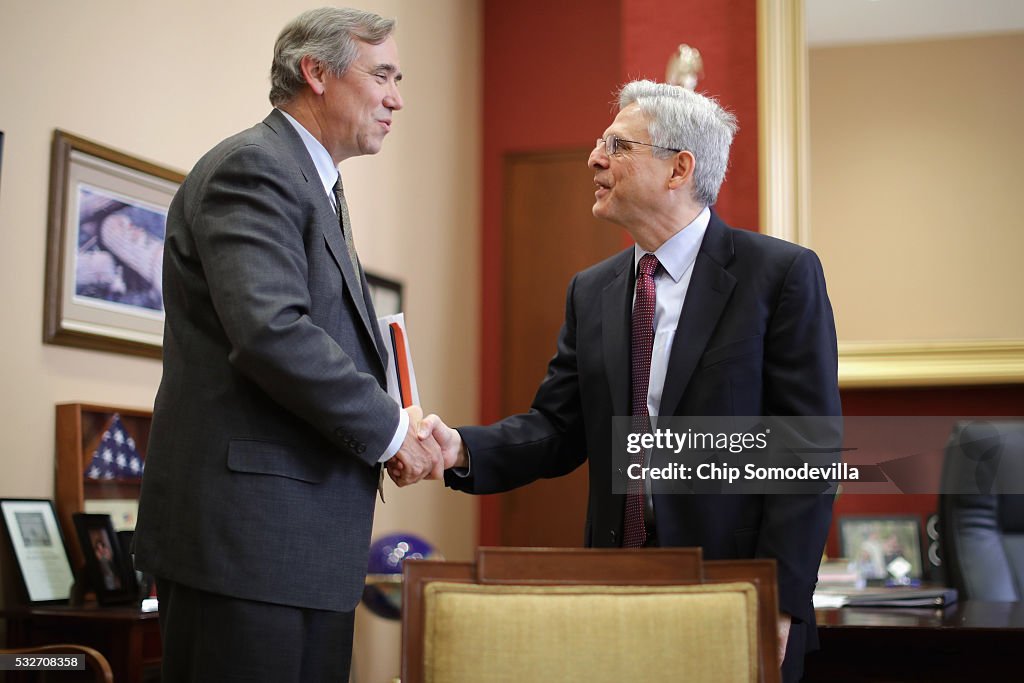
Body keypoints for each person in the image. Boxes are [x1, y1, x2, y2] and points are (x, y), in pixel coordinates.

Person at [408, 80, 841, 682]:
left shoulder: (781, 275)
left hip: (737, 590)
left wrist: (783, 601)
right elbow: (559, 429)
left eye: (617, 144)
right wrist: (457, 447)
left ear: (678, 168)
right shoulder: (592, 290)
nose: (594, 158)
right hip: (615, 586)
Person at [133, 8, 441, 682]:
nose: (397, 97)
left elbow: (321, 343)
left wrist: (403, 421)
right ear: (316, 72)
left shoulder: (317, 186)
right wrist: (391, 431)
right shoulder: (255, 167)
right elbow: (273, 333)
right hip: (245, 550)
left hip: (298, 552)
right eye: (382, 75)